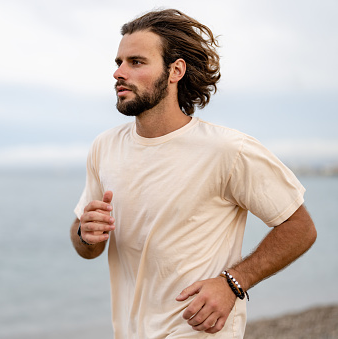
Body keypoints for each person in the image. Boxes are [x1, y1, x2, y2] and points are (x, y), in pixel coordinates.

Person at [69, 9, 317, 339]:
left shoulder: (229, 150)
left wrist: (233, 283)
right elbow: (87, 246)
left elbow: (300, 227)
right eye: (118, 62)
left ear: (176, 71)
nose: (119, 72)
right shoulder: (105, 147)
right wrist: (86, 233)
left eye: (136, 62)